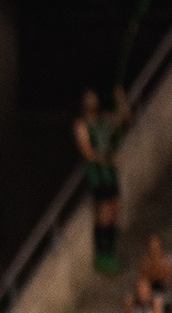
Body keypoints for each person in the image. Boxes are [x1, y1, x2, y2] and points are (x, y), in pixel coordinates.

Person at [74, 87, 131, 274]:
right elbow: (87, 152)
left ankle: (111, 252)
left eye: (94, 98)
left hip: (110, 173)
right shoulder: (81, 125)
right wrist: (108, 160)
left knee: (114, 210)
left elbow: (124, 120)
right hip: (98, 175)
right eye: (88, 99)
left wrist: (121, 100)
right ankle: (102, 254)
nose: (92, 102)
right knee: (104, 212)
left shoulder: (103, 119)